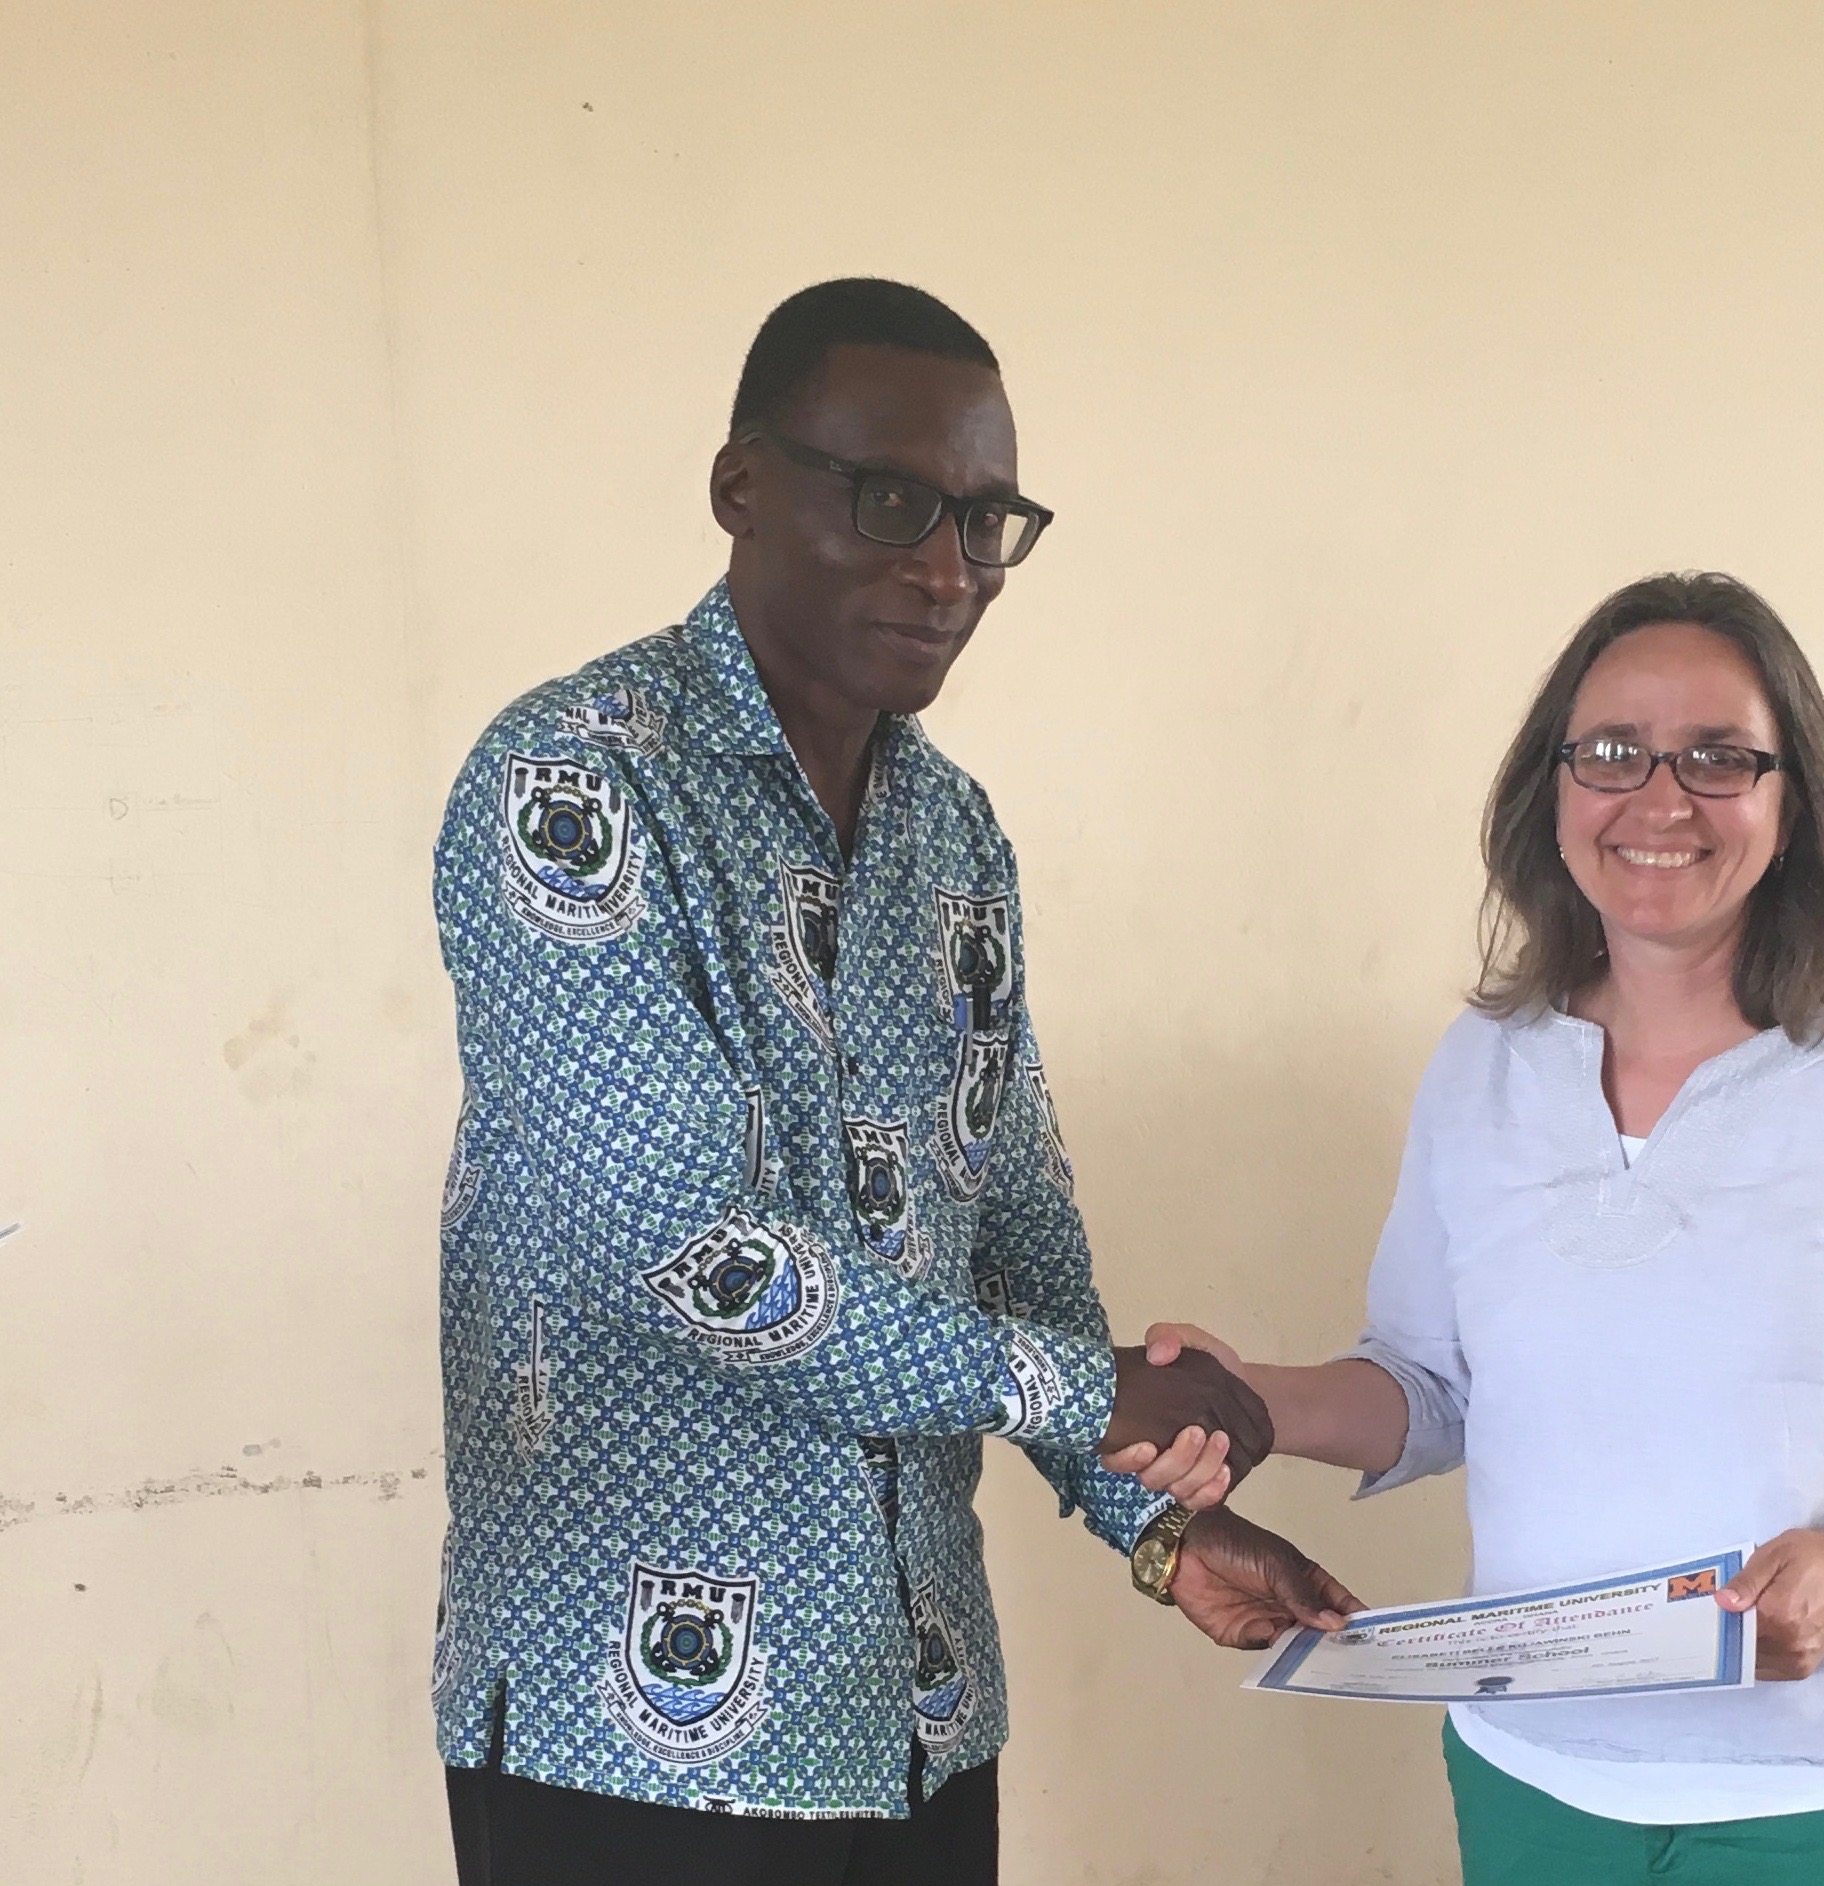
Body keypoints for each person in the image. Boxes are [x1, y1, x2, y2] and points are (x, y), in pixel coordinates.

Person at [429, 278, 1355, 1886]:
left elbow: (1016, 1233)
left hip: (913, 1712)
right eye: (890, 501)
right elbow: (693, 1253)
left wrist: (1155, 1525)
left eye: (986, 521)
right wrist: (1087, 1391)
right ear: (740, 486)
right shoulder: (576, 783)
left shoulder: (954, 834)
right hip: (626, 1743)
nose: (946, 568)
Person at [1116, 573, 1824, 1886]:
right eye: (1611, 752)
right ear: (1551, 792)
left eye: (1719, 757)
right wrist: (1246, 1397)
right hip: (1542, 1783)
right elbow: (1430, 1380)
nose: (1661, 801)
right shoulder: (1487, 1063)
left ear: (1795, 798)